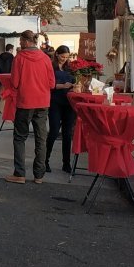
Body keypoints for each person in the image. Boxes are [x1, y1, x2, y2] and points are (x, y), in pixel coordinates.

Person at [4, 30, 55, 184]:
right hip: (43, 102)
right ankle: (39, 175)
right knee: (41, 138)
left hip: (25, 102)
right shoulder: (46, 59)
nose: (19, 43)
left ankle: (19, 173)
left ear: (26, 41)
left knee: (20, 137)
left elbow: (15, 83)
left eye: (20, 41)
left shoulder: (19, 58)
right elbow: (52, 83)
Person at [46, 45, 76, 174]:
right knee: (53, 131)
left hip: (69, 103)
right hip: (55, 102)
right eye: (63, 56)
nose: (64, 59)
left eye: (67, 57)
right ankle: (45, 161)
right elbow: (48, 84)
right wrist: (63, 86)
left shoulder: (70, 68)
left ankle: (66, 163)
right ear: (57, 54)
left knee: (67, 134)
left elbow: (76, 81)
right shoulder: (50, 67)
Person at [0, 44, 15, 120]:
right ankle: (7, 112)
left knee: (3, 94)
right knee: (10, 95)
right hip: (10, 79)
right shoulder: (12, 58)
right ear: (11, 50)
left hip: (1, 79)